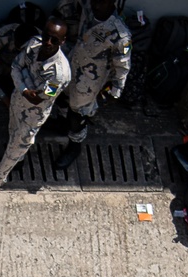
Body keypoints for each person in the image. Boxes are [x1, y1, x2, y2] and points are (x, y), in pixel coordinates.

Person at [0, 18, 71, 208]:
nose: (48, 43)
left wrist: (24, 84)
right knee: (12, 132)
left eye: (55, 40)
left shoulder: (59, 74)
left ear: (63, 41)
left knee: (15, 148)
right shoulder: (33, 45)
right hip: (17, 102)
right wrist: (26, 88)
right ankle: (18, 162)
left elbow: (38, 98)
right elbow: (15, 67)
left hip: (33, 115)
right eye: (46, 37)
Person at [53, 0, 131, 170]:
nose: (97, 5)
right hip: (72, 63)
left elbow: (122, 67)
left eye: (102, 2)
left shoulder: (120, 34)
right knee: (61, 97)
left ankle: (74, 146)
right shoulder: (89, 8)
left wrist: (113, 93)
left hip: (90, 79)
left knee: (77, 114)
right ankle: (61, 124)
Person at [0, 3, 47, 105]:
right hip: (4, 64)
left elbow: (50, 79)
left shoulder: (43, 42)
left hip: (25, 70)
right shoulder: (2, 35)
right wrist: (5, 99)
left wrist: (42, 97)